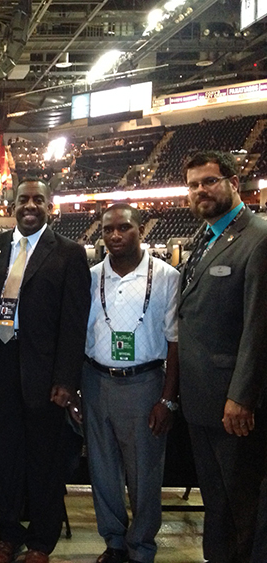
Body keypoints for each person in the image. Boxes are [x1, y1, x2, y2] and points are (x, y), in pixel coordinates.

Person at [0, 178, 90, 563]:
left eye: (37, 200)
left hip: (44, 370)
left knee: (45, 460)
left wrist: (66, 380)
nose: (30, 205)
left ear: (49, 206)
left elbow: (75, 323)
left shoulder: (69, 253)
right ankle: (8, 535)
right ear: (13, 204)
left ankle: (42, 540)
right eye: (23, 199)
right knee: (5, 458)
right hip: (0, 365)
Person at [178, 150, 267, 562]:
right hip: (201, 401)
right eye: (194, 185)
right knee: (217, 502)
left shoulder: (258, 239)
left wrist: (242, 396)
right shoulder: (206, 236)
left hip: (233, 404)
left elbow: (259, 327)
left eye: (210, 181)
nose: (201, 191)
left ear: (232, 181)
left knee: (242, 503)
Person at [83, 204, 180, 563]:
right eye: (108, 230)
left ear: (141, 230)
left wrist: (168, 399)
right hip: (95, 379)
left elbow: (175, 342)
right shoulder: (91, 276)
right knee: (103, 470)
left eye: (124, 228)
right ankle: (114, 542)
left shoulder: (167, 276)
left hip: (144, 383)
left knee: (144, 474)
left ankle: (142, 546)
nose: (115, 236)